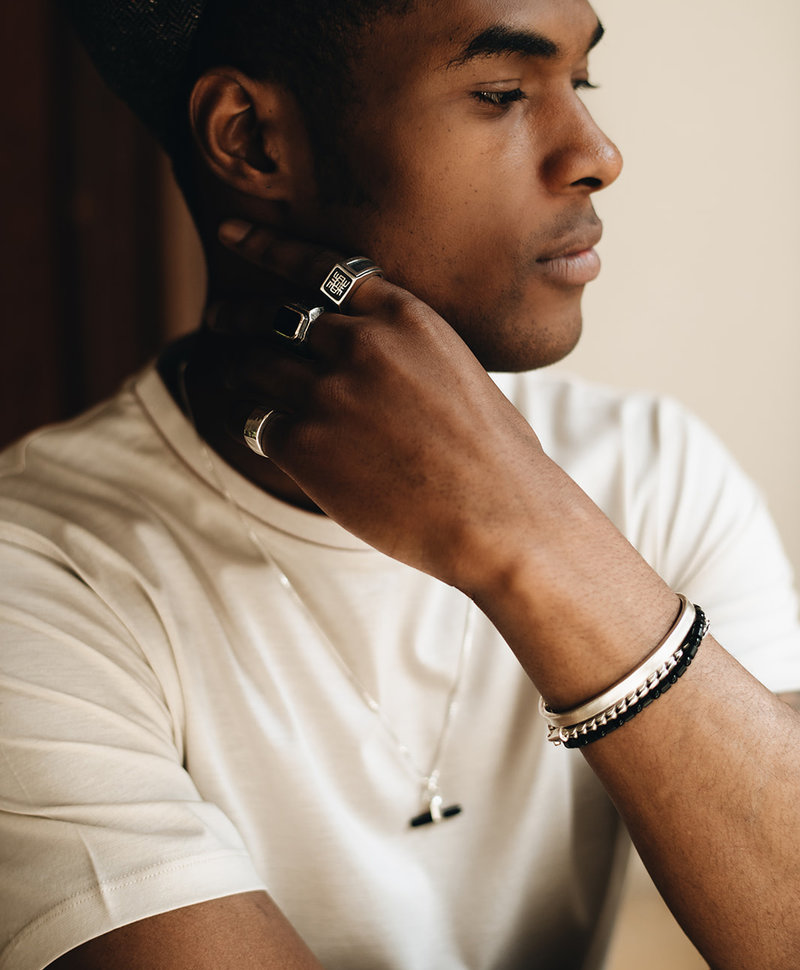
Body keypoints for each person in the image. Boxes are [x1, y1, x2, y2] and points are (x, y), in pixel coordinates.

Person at [1, 1, 799, 968]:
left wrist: (535, 537)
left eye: (580, 83)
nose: (598, 154)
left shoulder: (656, 469)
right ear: (252, 140)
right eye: (502, 93)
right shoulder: (36, 579)